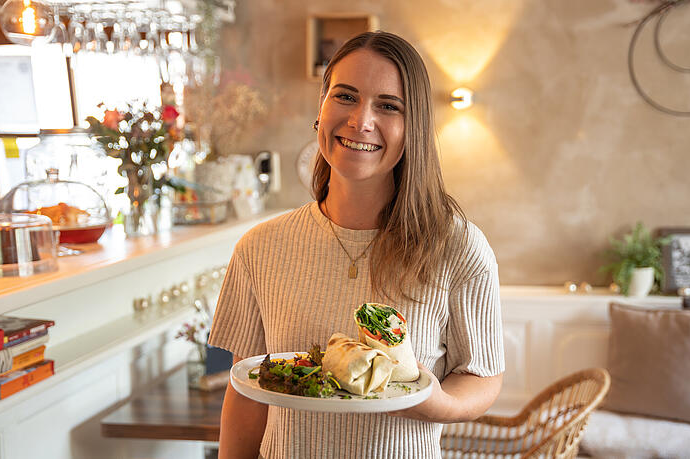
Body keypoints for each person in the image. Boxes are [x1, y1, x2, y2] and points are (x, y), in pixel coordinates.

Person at [208, 31, 504, 459]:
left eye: (388, 106)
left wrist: (434, 403)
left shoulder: (458, 248)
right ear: (321, 109)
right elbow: (247, 394)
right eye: (345, 97)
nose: (360, 120)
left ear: (412, 128)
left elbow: (482, 377)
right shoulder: (260, 247)